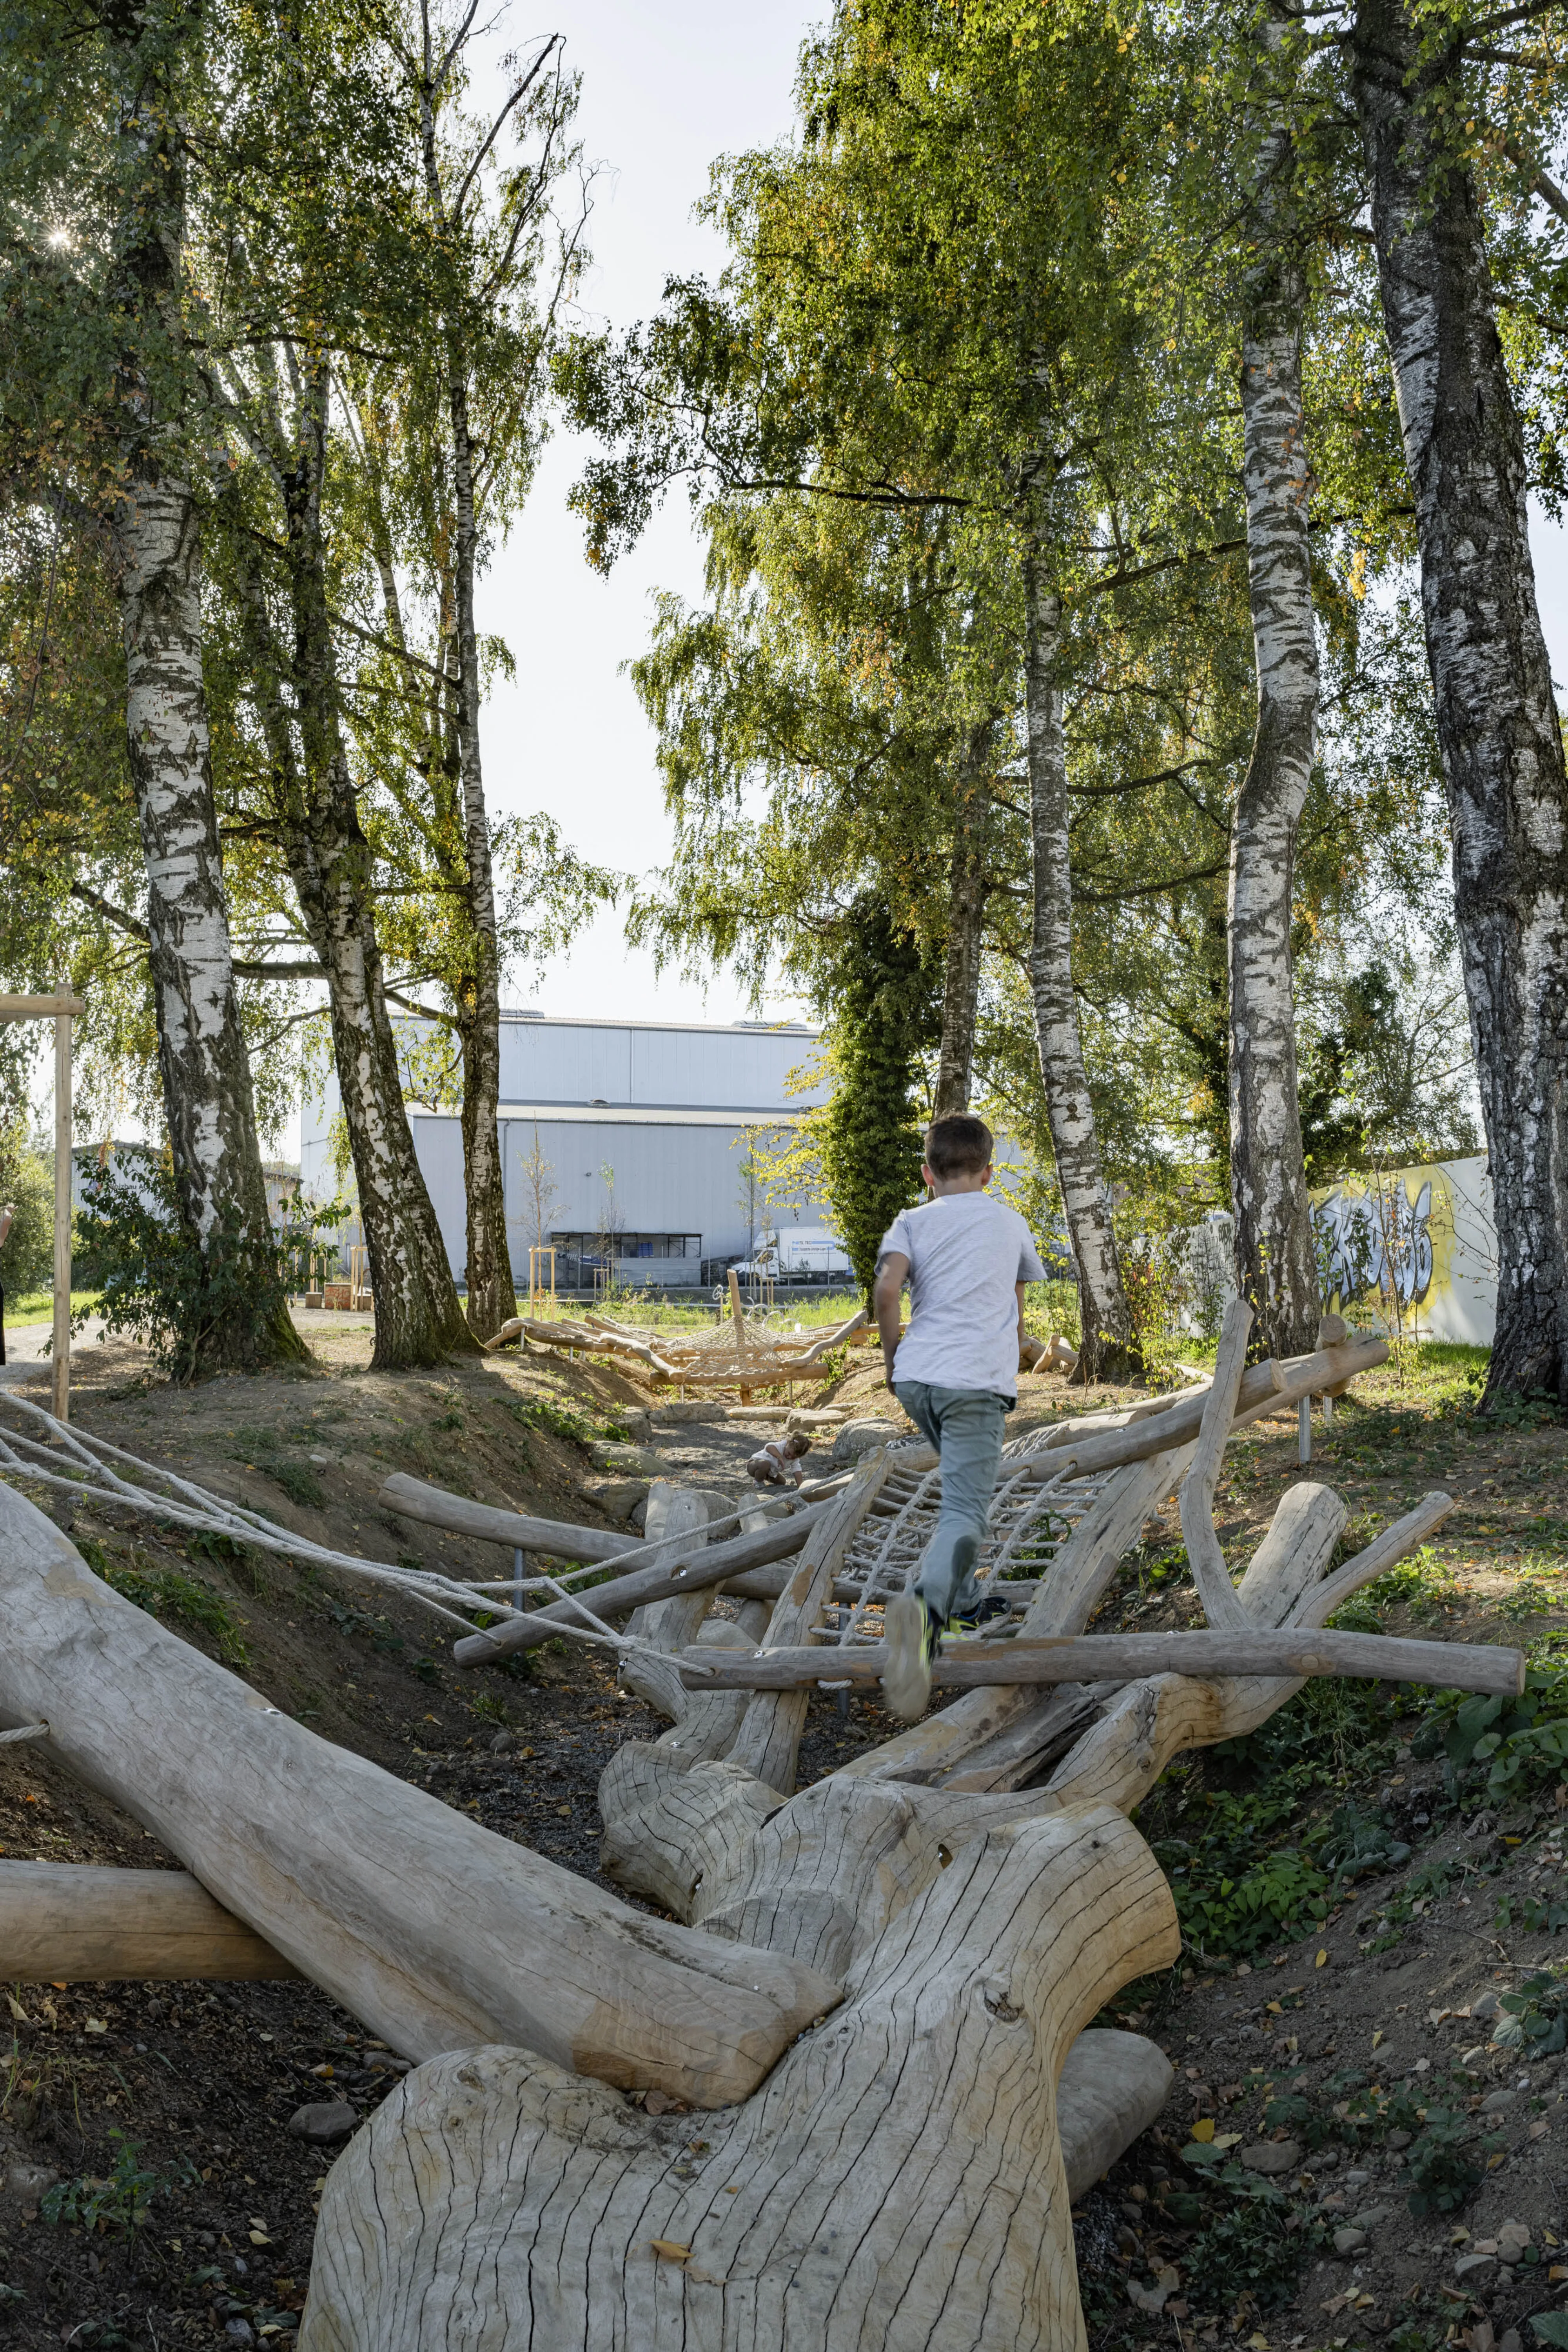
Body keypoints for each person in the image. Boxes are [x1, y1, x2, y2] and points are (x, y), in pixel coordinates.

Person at [873, 1115, 1044, 1721]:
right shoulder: (1010, 1221)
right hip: (975, 1383)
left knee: (960, 1486)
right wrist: (1014, 1356)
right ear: (989, 1172)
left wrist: (894, 1360)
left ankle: (967, 1599)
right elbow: (1019, 1308)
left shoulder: (910, 1221)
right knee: (966, 1510)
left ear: (927, 1174)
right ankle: (923, 1611)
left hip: (920, 1379)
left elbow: (889, 1293)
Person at [747, 1429, 812, 1488]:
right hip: (754, 1465)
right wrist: (779, 1457)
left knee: (782, 1482)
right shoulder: (781, 1446)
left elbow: (797, 1471)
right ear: (788, 1443)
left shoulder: (794, 1459)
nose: (790, 1458)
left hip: (770, 1472)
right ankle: (758, 1482)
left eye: (794, 1457)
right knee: (765, 1464)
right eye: (789, 1454)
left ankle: (763, 1477)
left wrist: (801, 1487)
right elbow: (769, 1447)